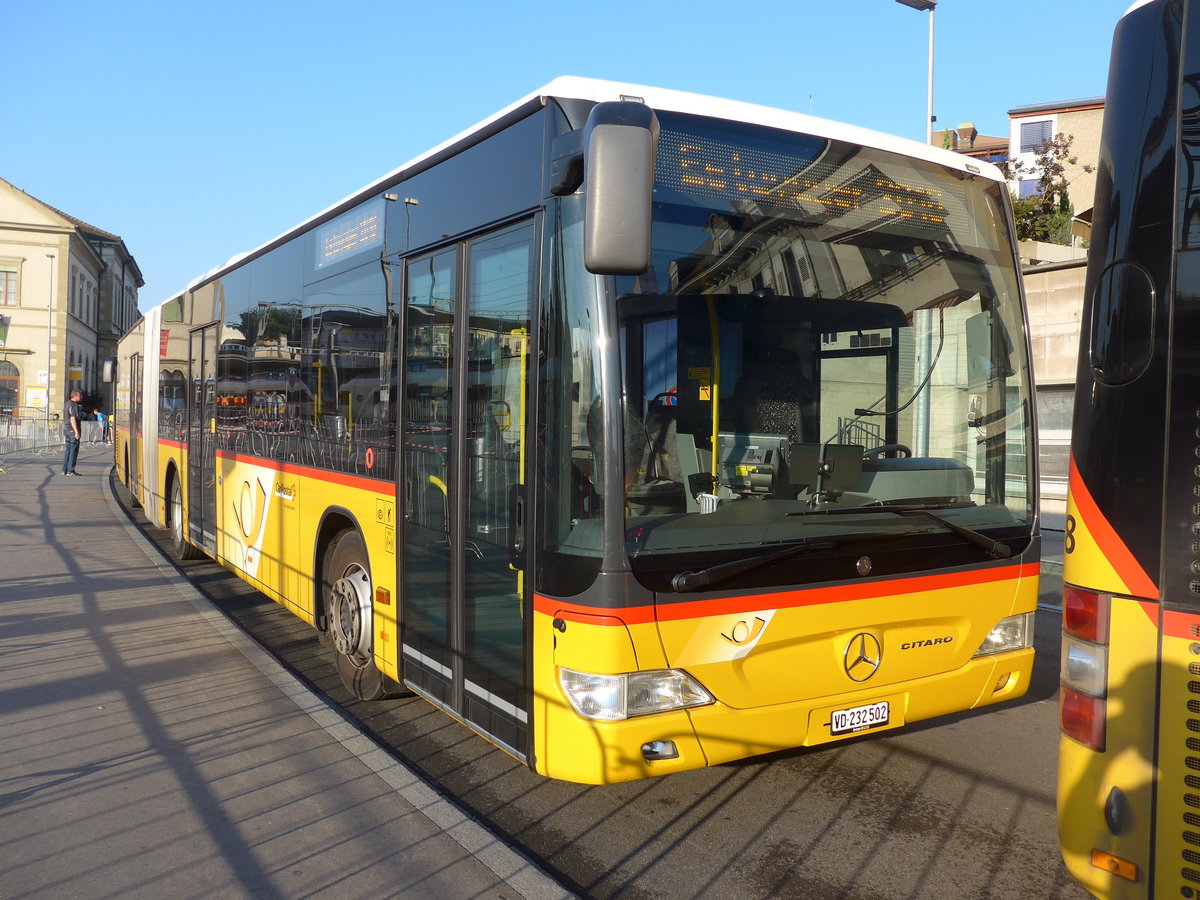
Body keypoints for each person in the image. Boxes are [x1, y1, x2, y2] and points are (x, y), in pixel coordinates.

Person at [62, 389, 83, 476]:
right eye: (80, 395)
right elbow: (73, 418)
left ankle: (64, 470)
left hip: (66, 429)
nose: (82, 397)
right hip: (72, 429)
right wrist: (76, 431)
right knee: (73, 450)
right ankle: (71, 470)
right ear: (76, 395)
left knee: (68, 450)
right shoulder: (74, 405)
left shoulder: (66, 404)